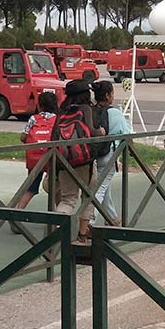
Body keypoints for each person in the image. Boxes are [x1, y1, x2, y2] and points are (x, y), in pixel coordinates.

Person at [56, 79, 106, 245]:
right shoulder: (86, 109)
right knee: (89, 196)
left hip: (64, 161)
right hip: (84, 161)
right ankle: (82, 236)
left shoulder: (61, 111)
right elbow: (92, 131)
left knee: (67, 199)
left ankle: (57, 231)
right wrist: (102, 131)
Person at [89, 81, 131, 228]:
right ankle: (88, 221)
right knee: (100, 190)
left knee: (104, 188)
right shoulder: (115, 113)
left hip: (93, 155)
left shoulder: (90, 111)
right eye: (112, 93)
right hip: (110, 155)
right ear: (107, 95)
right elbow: (127, 134)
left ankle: (112, 219)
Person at [14, 92, 59, 224]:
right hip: (52, 158)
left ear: (39, 105)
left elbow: (23, 137)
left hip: (35, 159)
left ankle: (18, 214)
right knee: (56, 188)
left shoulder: (34, 118)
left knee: (30, 188)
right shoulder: (58, 119)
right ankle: (60, 215)